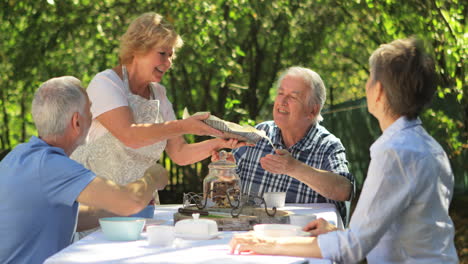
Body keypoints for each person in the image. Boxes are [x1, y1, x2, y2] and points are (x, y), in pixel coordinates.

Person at [229, 38, 459, 263]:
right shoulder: (425, 146)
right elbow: (399, 229)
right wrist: (334, 232)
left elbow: (352, 248)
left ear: (378, 91)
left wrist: (267, 245)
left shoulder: (396, 152)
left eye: (369, 79)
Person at [71, 12, 245, 222]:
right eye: (163, 53)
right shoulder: (106, 83)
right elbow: (130, 135)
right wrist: (185, 126)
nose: (169, 62)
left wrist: (219, 143)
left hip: (140, 203)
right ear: (138, 49)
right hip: (97, 203)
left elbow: (180, 154)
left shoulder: (159, 93)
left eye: (171, 55)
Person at [0, 76, 164, 264]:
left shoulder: (18, 156)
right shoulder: (52, 165)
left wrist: (117, 208)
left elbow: (71, 216)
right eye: (90, 111)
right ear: (77, 122)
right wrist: (153, 176)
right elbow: (131, 200)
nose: (94, 116)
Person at [215, 66, 354, 221]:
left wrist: (294, 167)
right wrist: (225, 172)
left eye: (293, 97)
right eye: (280, 93)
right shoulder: (259, 134)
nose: (282, 101)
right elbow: (228, 190)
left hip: (301, 240)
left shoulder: (328, 146)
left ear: (312, 111)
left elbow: (344, 189)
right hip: (252, 236)